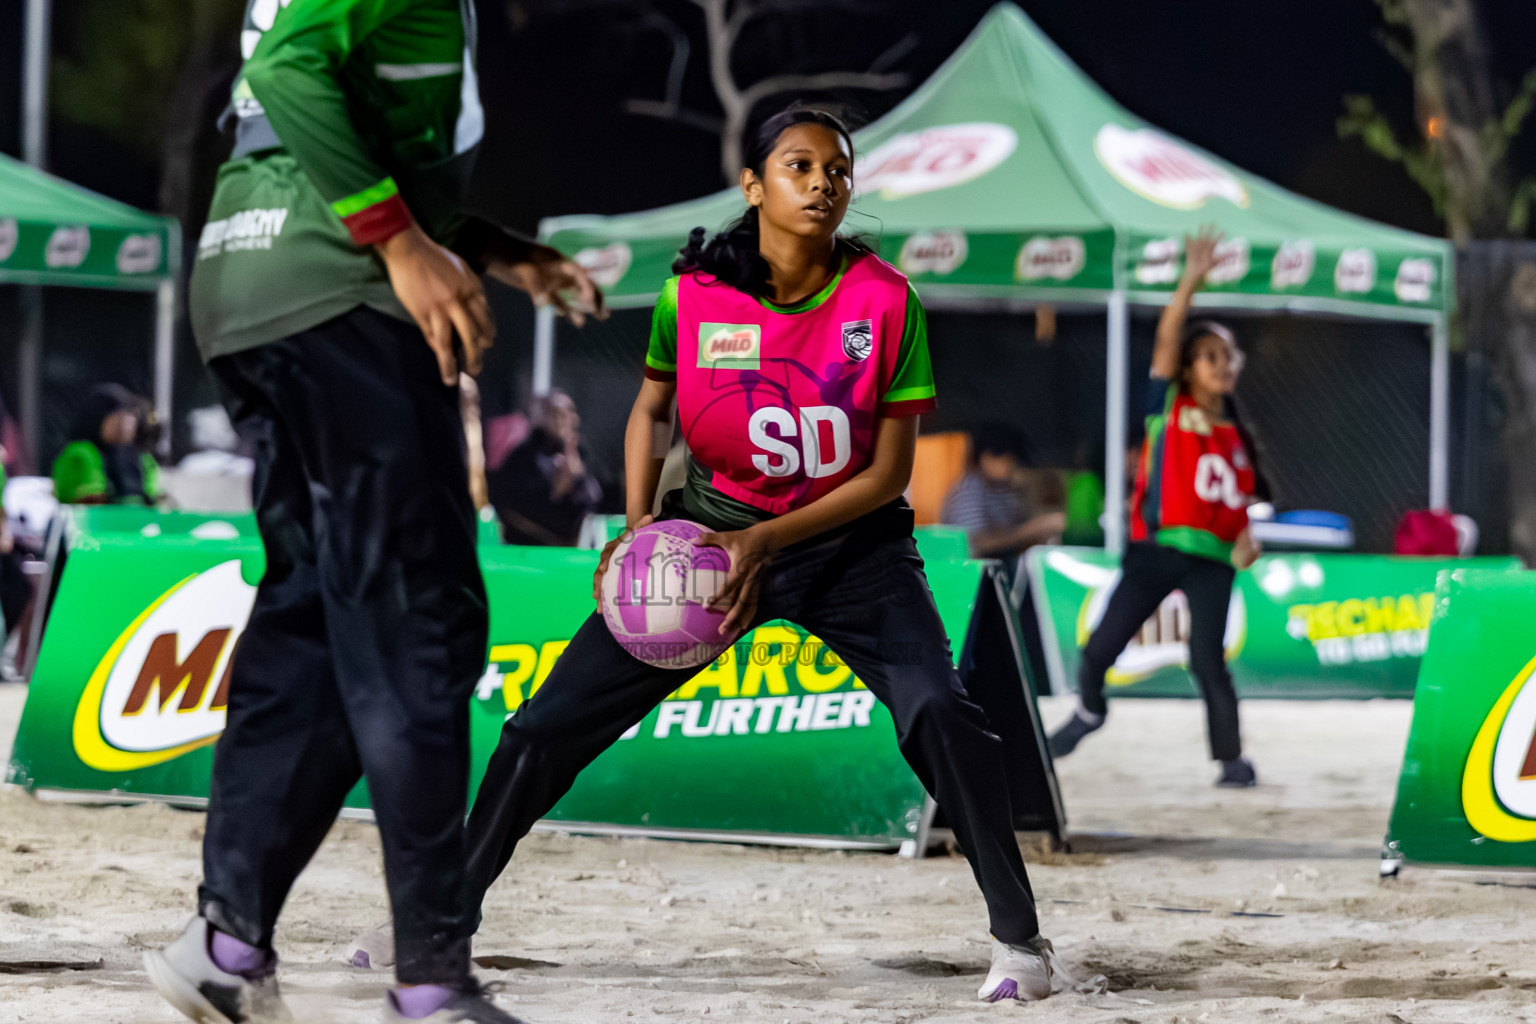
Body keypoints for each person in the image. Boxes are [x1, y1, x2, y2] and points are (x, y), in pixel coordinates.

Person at [353, 104, 1065, 1004]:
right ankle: (440, 916)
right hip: (704, 545)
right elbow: (652, 411)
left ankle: (1020, 941)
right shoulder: (692, 296)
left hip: (853, 553)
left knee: (940, 712)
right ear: (753, 184)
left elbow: (889, 478)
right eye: (799, 167)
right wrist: (639, 525)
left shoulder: (885, 301)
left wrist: (763, 542)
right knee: (544, 727)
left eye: (837, 171)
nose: (821, 184)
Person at [144, 2, 603, 1023]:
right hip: (338, 300)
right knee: (417, 620)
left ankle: (226, 941)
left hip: (251, 289)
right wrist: (400, 247)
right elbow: (296, 67)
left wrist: (483, 247)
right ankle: (432, 980)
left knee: (315, 624)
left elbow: (318, 109)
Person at [1047, 227, 1262, 788]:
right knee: (1099, 649)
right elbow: (1168, 340)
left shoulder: (1236, 435)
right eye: (1209, 355)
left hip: (1212, 558)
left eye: (1228, 355)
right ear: (1188, 368)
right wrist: (1191, 280)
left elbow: (1237, 503)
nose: (1221, 363)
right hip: (1156, 549)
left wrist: (1245, 536)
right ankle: (1090, 709)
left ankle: (1231, 761)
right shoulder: (1168, 402)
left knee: (1209, 662)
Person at [941, 422, 1065, 573]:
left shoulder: (1003, 489)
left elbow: (1011, 536)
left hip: (1000, 573)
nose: (1013, 465)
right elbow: (977, 544)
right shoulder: (966, 491)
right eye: (1008, 459)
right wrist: (1033, 528)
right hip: (970, 578)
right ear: (987, 458)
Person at [487, 389, 603, 546]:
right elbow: (509, 499)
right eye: (555, 413)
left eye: (568, 413)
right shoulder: (525, 454)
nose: (564, 420)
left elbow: (593, 502)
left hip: (571, 546)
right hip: (528, 544)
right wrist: (553, 493)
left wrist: (574, 477)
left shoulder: (582, 454)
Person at [52, 384, 160, 506]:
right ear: (99, 419)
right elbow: (87, 501)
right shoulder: (81, 454)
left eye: (131, 417)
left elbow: (154, 496)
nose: (127, 424)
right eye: (120, 417)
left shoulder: (140, 457)